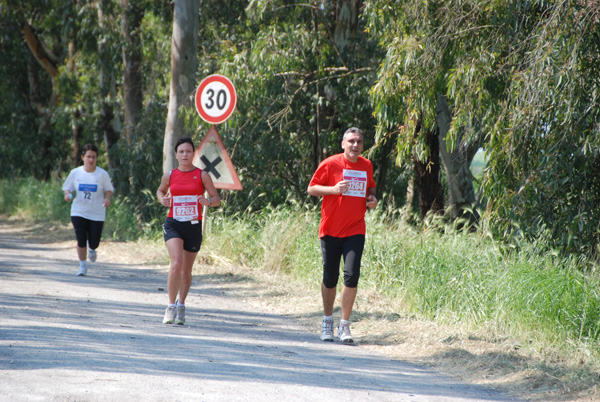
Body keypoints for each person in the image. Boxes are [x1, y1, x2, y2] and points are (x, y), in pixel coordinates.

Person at [307, 127, 378, 343]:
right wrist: (333, 190)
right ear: (343, 144)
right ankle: (327, 320)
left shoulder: (366, 165)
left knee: (351, 274)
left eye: (359, 142)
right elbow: (312, 189)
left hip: (355, 228)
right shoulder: (330, 163)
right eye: (351, 141)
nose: (355, 145)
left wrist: (373, 200)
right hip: (330, 229)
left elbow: (370, 190)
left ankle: (344, 325)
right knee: (330, 277)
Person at [156, 137, 221, 325]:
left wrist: (208, 202)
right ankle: (170, 306)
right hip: (173, 223)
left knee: (186, 271)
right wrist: (162, 199)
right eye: (181, 151)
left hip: (193, 225)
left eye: (189, 151)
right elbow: (160, 191)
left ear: (194, 154)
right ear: (176, 155)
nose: (185, 154)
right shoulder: (169, 175)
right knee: (176, 264)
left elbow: (216, 198)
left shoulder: (202, 175)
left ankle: (181, 305)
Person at [62, 143, 114, 276]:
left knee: (94, 242)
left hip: (97, 213)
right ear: (83, 157)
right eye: (88, 157)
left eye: (94, 157)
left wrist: (107, 199)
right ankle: (82, 266)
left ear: (97, 158)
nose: (91, 160)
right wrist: (67, 195)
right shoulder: (75, 173)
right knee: (80, 238)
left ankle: (92, 249)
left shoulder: (102, 174)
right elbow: (67, 188)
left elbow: (109, 190)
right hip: (78, 211)